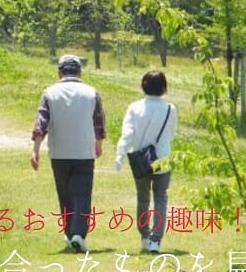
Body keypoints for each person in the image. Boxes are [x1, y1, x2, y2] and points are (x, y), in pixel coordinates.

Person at [31, 54, 106, 253]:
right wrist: (98, 144)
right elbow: (98, 121)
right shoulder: (91, 92)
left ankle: (70, 232)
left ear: (59, 72)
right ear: (80, 72)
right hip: (84, 152)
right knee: (82, 194)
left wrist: (35, 150)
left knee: (65, 195)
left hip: (59, 153)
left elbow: (41, 123)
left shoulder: (50, 93)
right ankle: (77, 234)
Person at [114, 70, 178, 254]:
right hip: (163, 159)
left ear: (144, 85)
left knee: (143, 198)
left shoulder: (135, 107)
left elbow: (127, 134)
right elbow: (171, 132)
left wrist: (120, 155)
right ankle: (156, 241)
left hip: (140, 160)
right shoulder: (169, 109)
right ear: (164, 87)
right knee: (160, 199)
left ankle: (144, 235)